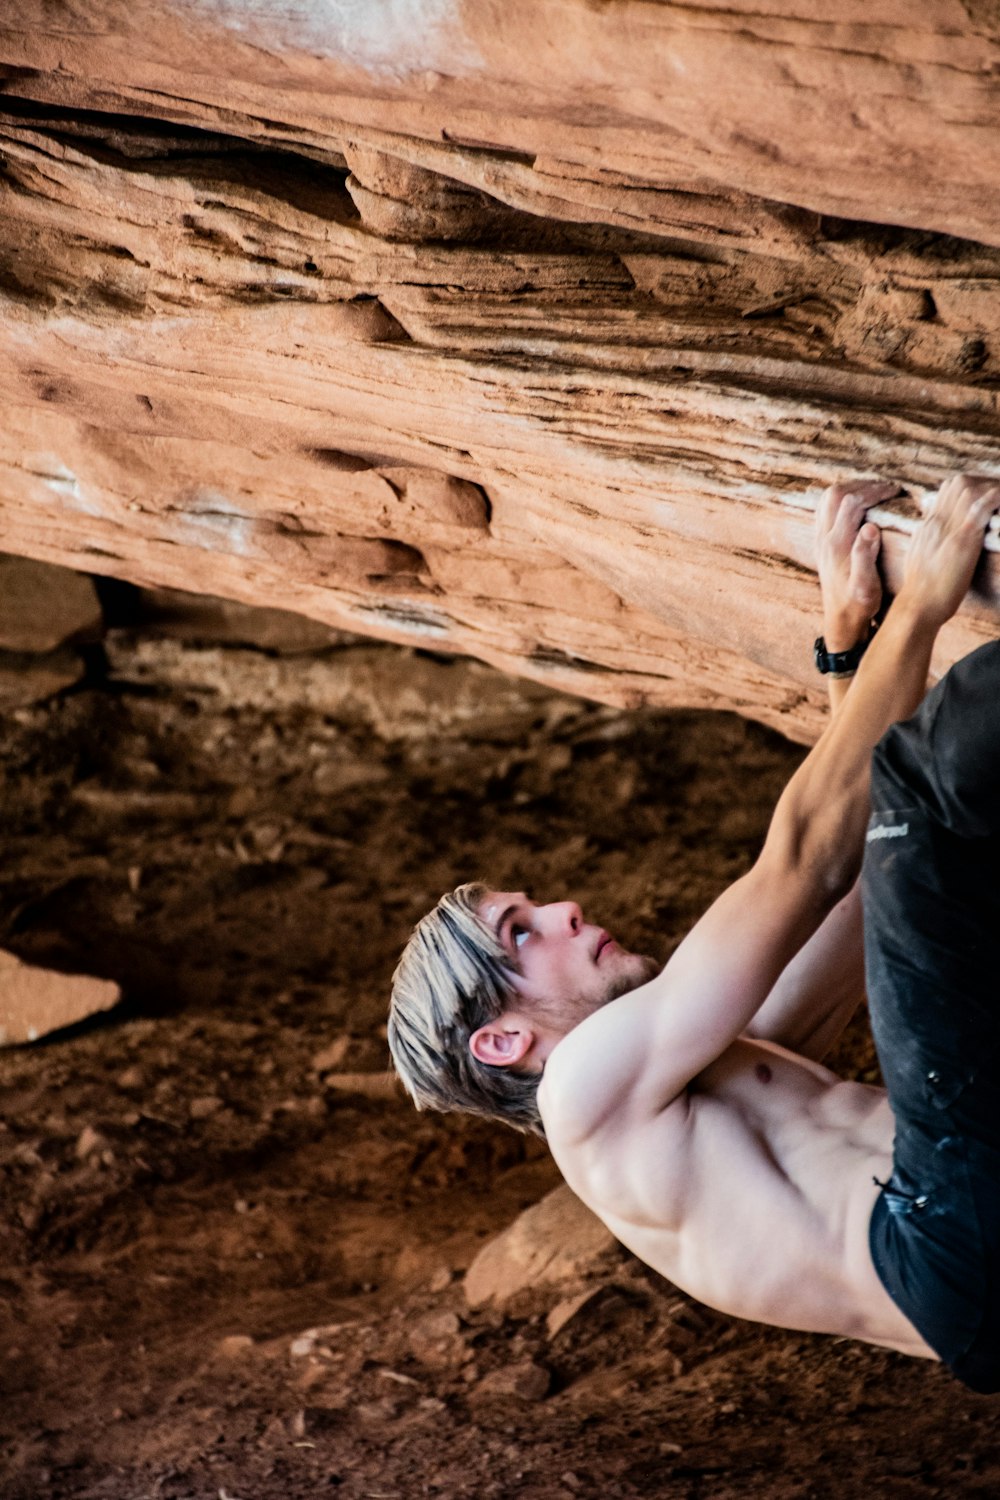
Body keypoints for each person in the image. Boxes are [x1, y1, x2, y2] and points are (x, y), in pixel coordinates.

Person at [389, 472, 1000, 1390]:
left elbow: (853, 889)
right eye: (523, 933)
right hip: (950, 1242)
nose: (565, 912)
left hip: (972, 1270)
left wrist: (847, 650)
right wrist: (923, 601)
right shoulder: (584, 1097)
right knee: (924, 788)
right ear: (504, 1038)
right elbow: (802, 859)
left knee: (916, 823)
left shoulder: (707, 1082)